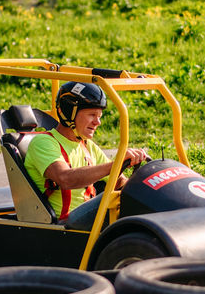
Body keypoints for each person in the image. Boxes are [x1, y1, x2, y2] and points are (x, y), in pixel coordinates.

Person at [24, 81, 149, 230]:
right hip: (65, 224)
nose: (98, 122)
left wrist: (146, 187)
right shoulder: (44, 142)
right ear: (69, 111)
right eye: (92, 115)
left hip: (88, 220)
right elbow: (65, 178)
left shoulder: (87, 145)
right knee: (108, 201)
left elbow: (118, 182)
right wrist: (115, 164)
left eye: (99, 116)